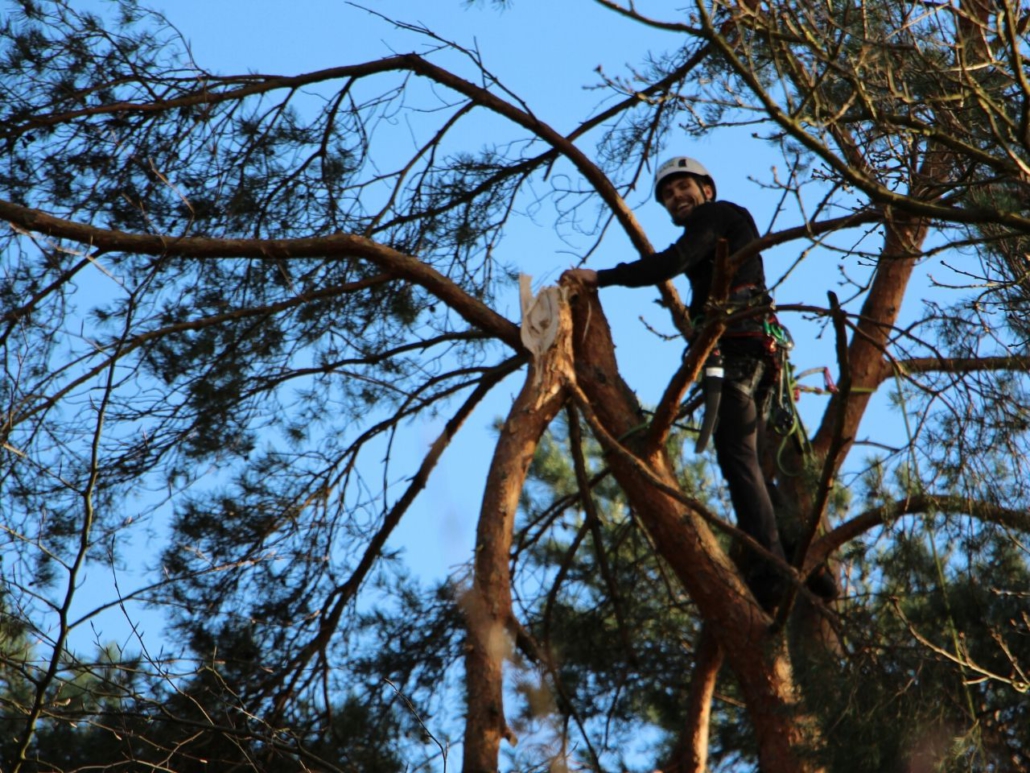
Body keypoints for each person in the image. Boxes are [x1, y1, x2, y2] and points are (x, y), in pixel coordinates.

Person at [564, 156, 831, 609]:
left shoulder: (716, 215)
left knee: (738, 459)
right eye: (668, 195)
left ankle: (770, 571)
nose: (676, 197)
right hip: (752, 353)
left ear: (707, 189)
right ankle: (810, 566)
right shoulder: (721, 230)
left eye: (683, 187)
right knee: (749, 460)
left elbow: (672, 261)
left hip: (740, 351)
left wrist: (600, 277)